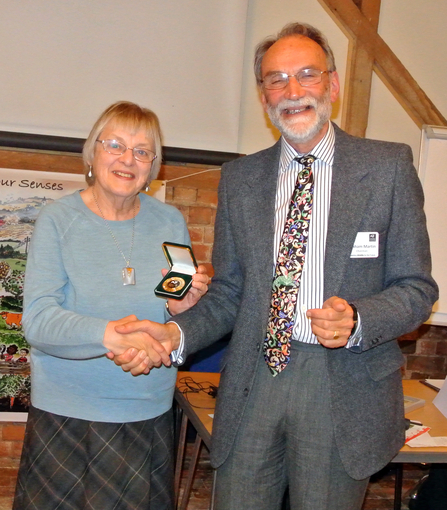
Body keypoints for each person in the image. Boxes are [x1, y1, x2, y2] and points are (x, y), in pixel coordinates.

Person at [113, 23, 439, 510]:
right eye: (276, 79)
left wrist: (358, 319)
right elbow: (228, 294)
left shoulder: (388, 167)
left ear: (331, 84)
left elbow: (416, 287)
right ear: (264, 97)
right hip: (252, 382)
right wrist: (174, 335)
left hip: (341, 385)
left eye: (306, 75)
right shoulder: (241, 179)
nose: (292, 91)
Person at [13, 101, 209, 510]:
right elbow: (39, 321)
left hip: (148, 412)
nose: (127, 159)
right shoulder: (56, 219)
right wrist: (113, 337)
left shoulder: (170, 221)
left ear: (153, 166)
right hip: (70, 417)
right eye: (115, 144)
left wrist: (184, 308)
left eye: (142, 151)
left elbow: (176, 308)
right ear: (93, 152)